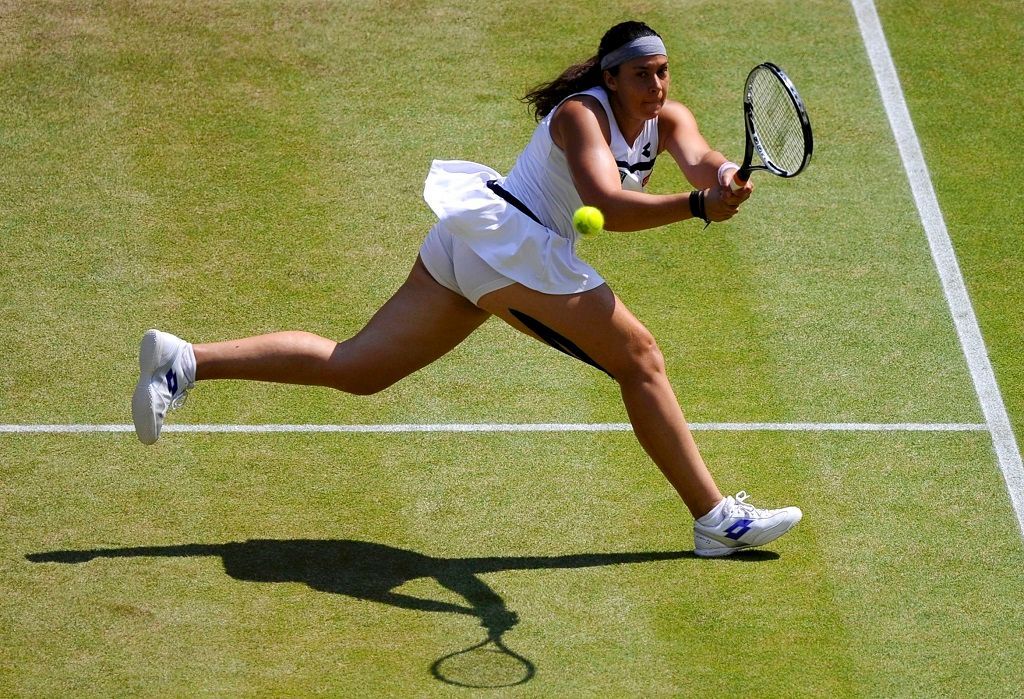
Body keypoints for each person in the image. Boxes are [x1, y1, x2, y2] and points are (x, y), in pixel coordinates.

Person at [132, 21, 801, 557]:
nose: (656, 84)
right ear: (611, 78)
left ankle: (185, 362)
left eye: (663, 71)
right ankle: (716, 518)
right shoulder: (580, 118)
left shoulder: (670, 116)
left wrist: (720, 178)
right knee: (641, 358)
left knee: (357, 367)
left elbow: (703, 158)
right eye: (642, 74)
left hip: (472, 245)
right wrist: (693, 207)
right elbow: (605, 200)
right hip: (515, 247)